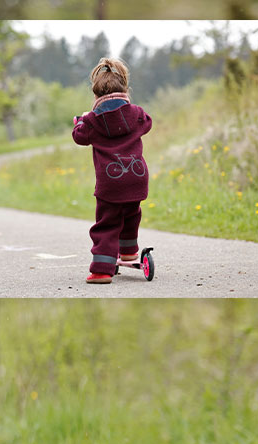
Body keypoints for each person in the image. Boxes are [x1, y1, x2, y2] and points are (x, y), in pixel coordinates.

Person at [72, 57, 152, 284]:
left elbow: (79, 137)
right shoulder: (136, 113)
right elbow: (148, 122)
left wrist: (80, 121)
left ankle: (101, 270)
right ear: (124, 88)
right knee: (131, 214)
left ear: (96, 95)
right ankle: (128, 252)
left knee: (107, 223)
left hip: (110, 182)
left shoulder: (92, 121)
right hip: (137, 177)